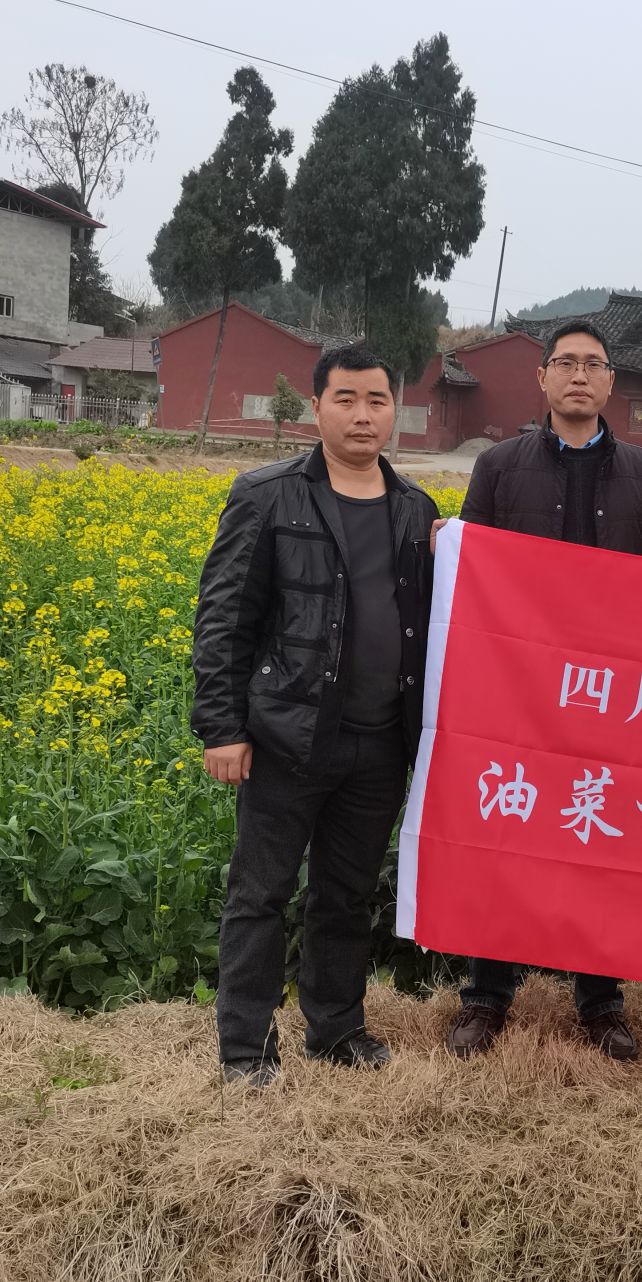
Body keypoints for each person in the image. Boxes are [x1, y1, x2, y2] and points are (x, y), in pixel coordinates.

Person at [192, 344, 440, 1087]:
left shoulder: (416, 509)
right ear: (317, 407)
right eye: (346, 399)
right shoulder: (266, 495)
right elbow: (224, 618)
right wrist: (222, 728)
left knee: (347, 894)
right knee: (260, 894)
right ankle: (245, 1046)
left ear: (394, 410)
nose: (363, 415)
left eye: (377, 400)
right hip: (287, 738)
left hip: (380, 744)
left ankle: (335, 1028)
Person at [443, 319, 642, 1062]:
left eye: (594, 364)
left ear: (611, 382)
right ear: (543, 376)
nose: (579, 375)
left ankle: (601, 1001)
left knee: (598, 836)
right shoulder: (499, 466)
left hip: (611, 697)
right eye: (566, 362)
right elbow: (474, 575)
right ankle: (486, 996)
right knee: (506, 831)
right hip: (520, 690)